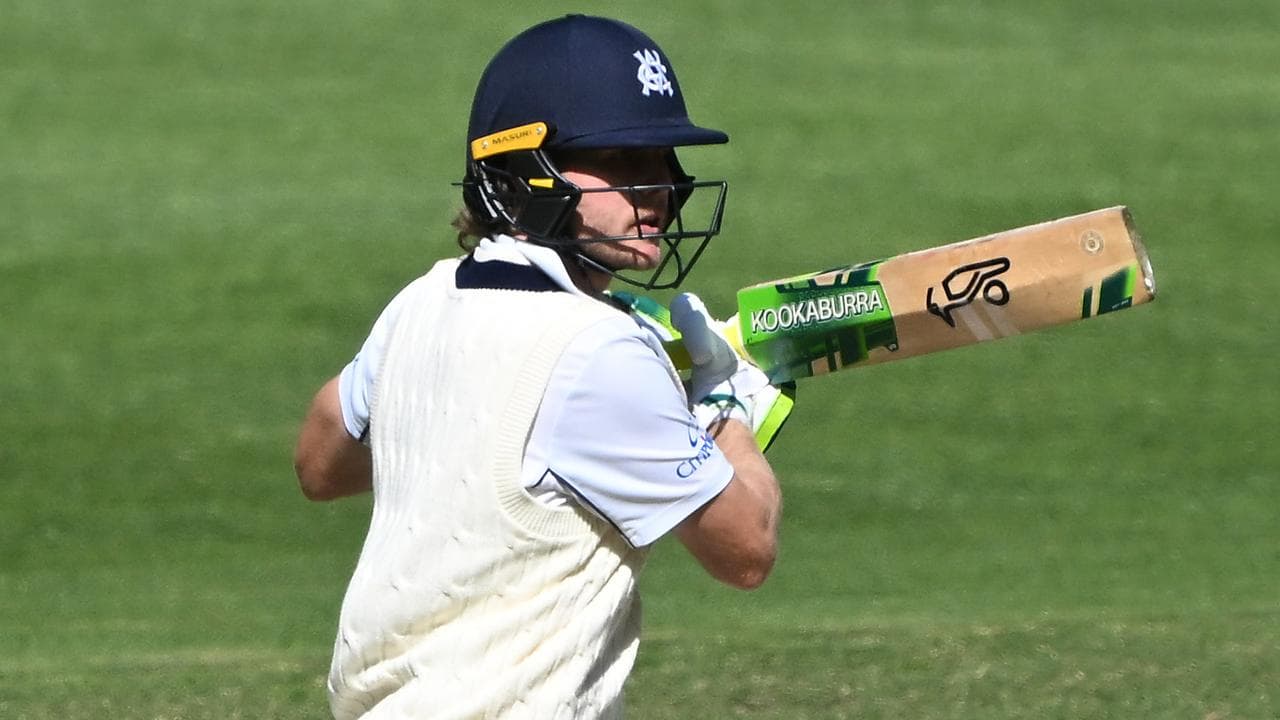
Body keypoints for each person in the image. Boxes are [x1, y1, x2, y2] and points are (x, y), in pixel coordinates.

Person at [294, 14, 790, 719]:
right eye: (619, 160)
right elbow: (746, 549)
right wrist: (722, 407)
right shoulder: (602, 350)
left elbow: (320, 465)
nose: (656, 188)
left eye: (661, 159)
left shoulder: (421, 305)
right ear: (522, 169)